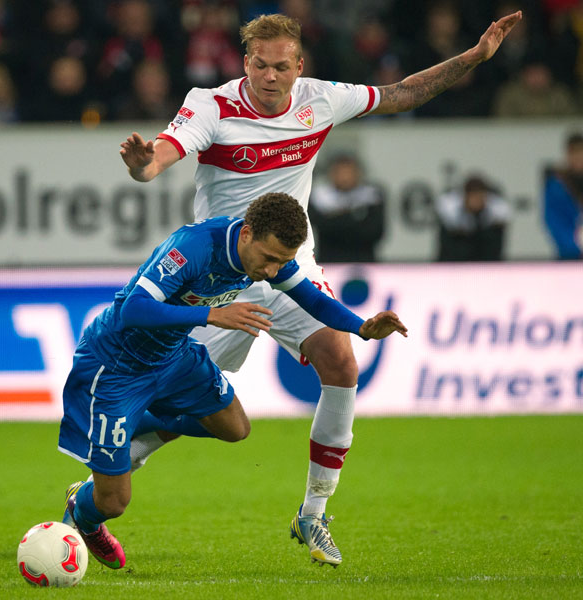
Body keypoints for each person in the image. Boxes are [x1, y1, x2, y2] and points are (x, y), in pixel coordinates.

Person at [119, 11, 522, 566]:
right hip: (223, 276)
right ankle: (108, 478)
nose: (269, 76)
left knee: (342, 363)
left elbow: (401, 93)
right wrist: (144, 168)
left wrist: (473, 58)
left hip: (289, 266)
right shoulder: (211, 104)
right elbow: (164, 151)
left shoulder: (320, 99)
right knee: (191, 405)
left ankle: (313, 514)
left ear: (298, 66)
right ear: (245, 62)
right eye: (259, 65)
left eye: (281, 66)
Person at [58, 193, 407, 569]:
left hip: (173, 358)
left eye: (282, 262)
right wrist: (212, 315)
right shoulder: (193, 247)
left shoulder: (269, 259)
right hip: (117, 366)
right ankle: (85, 514)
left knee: (234, 427)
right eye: (269, 259)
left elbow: (312, 299)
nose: (273, 271)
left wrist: (361, 328)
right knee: (114, 503)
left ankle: (131, 426)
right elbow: (133, 309)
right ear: (247, 233)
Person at [309, 154, 385, 263]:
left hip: (364, 263)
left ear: (358, 174)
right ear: (331, 174)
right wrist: (355, 217)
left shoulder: (372, 197)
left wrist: (334, 218)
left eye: (349, 172)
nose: (345, 177)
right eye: (340, 172)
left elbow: (375, 232)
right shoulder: (319, 197)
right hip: (329, 264)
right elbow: (320, 226)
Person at [435, 175, 510, 261]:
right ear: (465, 196)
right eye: (473, 197)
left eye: (480, 197)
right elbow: (454, 229)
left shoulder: (496, 207)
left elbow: (504, 217)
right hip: (457, 252)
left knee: (493, 235)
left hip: (483, 251)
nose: (476, 201)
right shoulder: (450, 206)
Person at [544, 132, 583, 260]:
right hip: (570, 255)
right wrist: (574, 247)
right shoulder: (557, 185)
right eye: (573, 153)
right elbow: (553, 220)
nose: (578, 157)